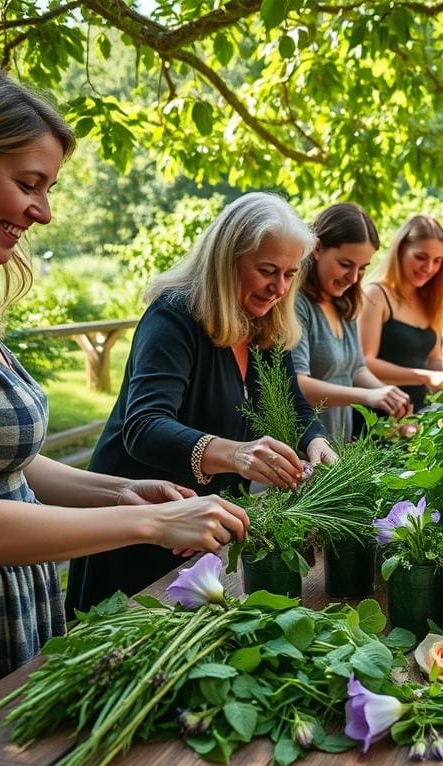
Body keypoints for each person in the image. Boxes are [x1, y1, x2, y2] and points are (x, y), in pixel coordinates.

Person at [0, 61, 248, 702]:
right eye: (28, 184)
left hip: (15, 603)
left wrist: (121, 490)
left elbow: (7, 468)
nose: (44, 212)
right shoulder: (174, 314)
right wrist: (151, 525)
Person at [65, 193, 334, 613]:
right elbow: (145, 426)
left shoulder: (263, 326)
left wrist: (316, 442)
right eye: (266, 271)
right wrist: (239, 454)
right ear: (227, 260)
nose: (279, 289)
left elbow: (296, 407)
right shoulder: (174, 316)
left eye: (289, 274)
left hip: (203, 533)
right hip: (140, 526)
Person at [292, 203, 411, 441]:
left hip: (337, 443)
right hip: (300, 446)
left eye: (362, 268)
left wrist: (387, 395)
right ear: (317, 248)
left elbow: (356, 368)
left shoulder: (343, 303)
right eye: (345, 264)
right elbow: (298, 384)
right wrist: (366, 397)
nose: (353, 278)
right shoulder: (297, 304)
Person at [359, 214, 443, 412]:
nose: (428, 268)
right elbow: (364, 362)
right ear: (401, 250)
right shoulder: (376, 294)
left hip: (417, 415)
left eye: (437, 261)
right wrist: (424, 376)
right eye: (420, 257)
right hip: (379, 414)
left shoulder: (430, 300)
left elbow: (433, 360)